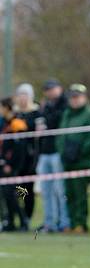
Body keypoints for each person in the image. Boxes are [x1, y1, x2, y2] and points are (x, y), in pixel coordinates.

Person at [56, 84, 90, 233]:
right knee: (69, 194)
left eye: (77, 97)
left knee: (80, 193)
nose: (74, 100)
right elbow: (61, 136)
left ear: (84, 97)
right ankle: (70, 221)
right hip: (67, 160)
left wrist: (79, 152)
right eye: (72, 97)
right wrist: (63, 152)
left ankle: (80, 223)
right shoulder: (67, 113)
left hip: (81, 161)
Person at [36, 79, 71, 233]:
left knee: (60, 190)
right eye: (47, 89)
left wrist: (46, 122)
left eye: (52, 89)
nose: (50, 92)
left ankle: (64, 222)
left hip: (57, 152)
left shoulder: (65, 103)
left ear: (60, 88)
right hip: (45, 152)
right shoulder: (46, 105)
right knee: (46, 191)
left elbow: (57, 120)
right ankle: (49, 222)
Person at [0, 97, 31, 231]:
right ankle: (10, 222)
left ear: (7, 108)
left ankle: (23, 221)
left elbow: (20, 148)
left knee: (12, 194)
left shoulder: (17, 124)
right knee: (5, 194)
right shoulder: (4, 123)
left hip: (14, 166)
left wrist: (10, 164)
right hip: (4, 163)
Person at [13, 83, 42, 221]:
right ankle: (18, 215)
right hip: (16, 158)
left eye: (26, 95)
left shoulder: (37, 112)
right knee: (17, 189)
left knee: (28, 189)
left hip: (30, 157)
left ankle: (28, 216)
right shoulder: (14, 113)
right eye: (20, 95)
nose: (23, 98)